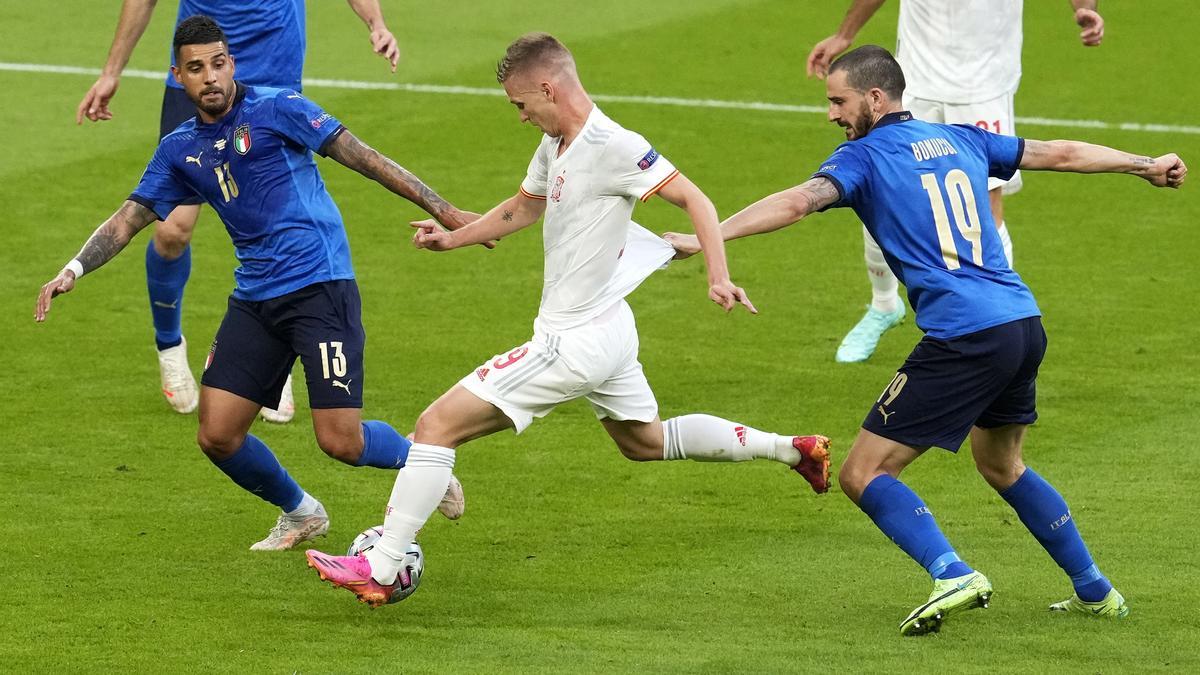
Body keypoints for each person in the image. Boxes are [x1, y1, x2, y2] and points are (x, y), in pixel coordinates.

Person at [666, 46, 1184, 635]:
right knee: (1003, 464)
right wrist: (1144, 164)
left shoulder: (860, 158)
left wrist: (707, 237)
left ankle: (952, 572)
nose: (831, 113)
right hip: (1021, 323)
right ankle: (1096, 591)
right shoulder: (962, 138)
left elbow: (796, 203)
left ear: (875, 97)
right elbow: (1058, 153)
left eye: (838, 100)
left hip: (965, 336)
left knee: (862, 473)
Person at [303, 32, 833, 607]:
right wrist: (455, 238)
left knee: (435, 426)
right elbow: (522, 208)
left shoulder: (614, 145)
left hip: (572, 340)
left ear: (548, 88)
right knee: (645, 442)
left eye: (521, 104)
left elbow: (697, 202)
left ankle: (381, 566)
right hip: (610, 329)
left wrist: (717, 273)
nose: (522, 116)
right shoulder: (556, 144)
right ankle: (793, 450)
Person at [38, 16, 470, 551]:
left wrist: (442, 207)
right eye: (196, 69)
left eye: (218, 63)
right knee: (217, 435)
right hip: (256, 298)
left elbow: (364, 158)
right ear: (179, 77)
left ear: (231, 63)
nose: (210, 77)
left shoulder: (278, 108)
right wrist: (73, 269)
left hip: (320, 287)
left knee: (341, 441)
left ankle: (423, 462)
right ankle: (302, 512)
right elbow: (130, 218)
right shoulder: (180, 148)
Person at [77, 0, 402, 422]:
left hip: (273, 66)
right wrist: (111, 71)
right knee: (172, 231)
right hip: (196, 71)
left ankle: (277, 355)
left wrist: (375, 22)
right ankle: (169, 345)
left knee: (273, 213)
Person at [805, 0, 1105, 363]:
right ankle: (883, 305)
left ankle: (998, 321)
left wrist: (1084, 9)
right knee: (878, 189)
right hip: (915, 79)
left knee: (985, 210)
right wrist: (845, 34)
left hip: (984, 84)